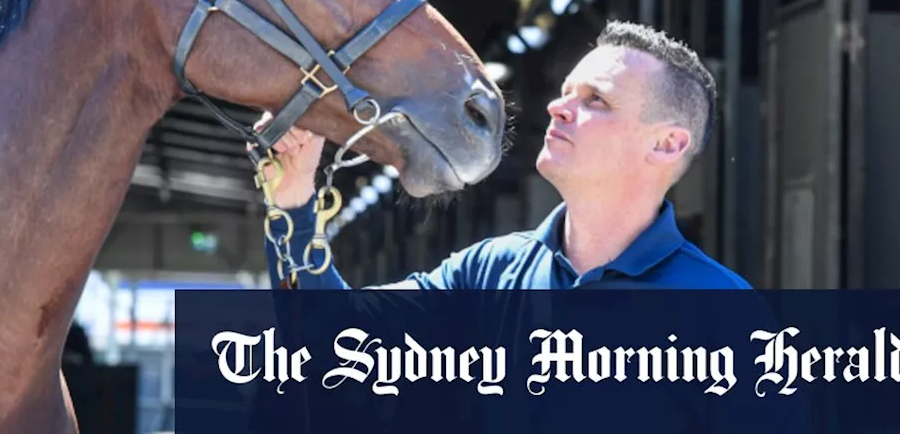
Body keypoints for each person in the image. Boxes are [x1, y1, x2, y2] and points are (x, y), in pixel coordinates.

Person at [258, 20, 751, 290]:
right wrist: (295, 200)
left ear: (666, 144)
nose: (558, 107)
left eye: (595, 99)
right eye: (565, 92)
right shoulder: (488, 274)